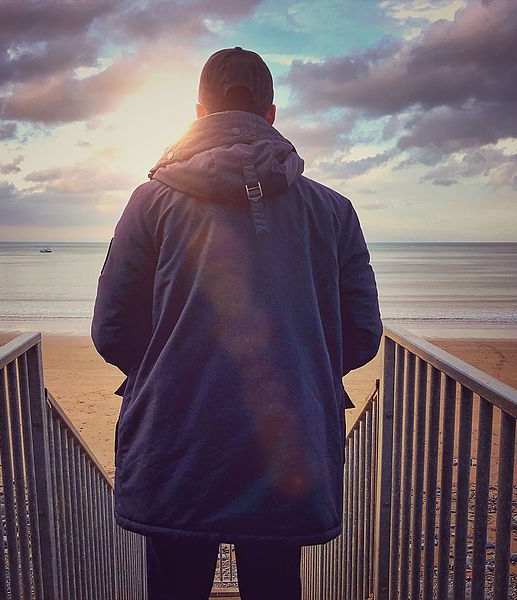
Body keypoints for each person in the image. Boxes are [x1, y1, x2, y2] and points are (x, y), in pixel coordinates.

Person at [92, 46, 382, 600]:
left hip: (176, 438)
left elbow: (110, 329)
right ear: (271, 116)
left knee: (175, 584)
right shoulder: (332, 210)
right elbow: (362, 334)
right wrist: (298, 369)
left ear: (197, 113)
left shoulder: (150, 203)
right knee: (275, 584)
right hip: (288, 440)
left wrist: (167, 368)